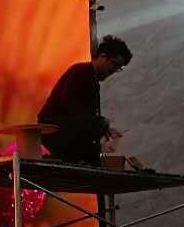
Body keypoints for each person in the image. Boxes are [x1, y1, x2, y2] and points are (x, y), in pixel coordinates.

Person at [37, 36, 132, 165]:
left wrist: (103, 128)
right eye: (114, 64)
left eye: (118, 68)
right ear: (102, 56)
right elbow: (73, 109)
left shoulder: (89, 77)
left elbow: (82, 117)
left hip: (63, 134)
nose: (113, 71)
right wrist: (101, 124)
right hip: (56, 134)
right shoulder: (81, 72)